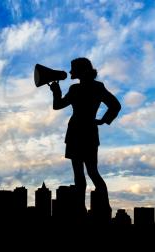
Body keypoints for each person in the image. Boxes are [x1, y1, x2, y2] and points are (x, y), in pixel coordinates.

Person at [49, 57, 121, 215]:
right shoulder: (96, 87)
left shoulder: (76, 89)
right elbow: (115, 105)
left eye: (73, 69)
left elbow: (57, 105)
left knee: (80, 175)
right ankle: (104, 207)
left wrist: (56, 92)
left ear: (81, 70)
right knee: (92, 172)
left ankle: (81, 210)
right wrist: (103, 120)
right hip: (88, 131)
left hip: (76, 132)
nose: (70, 72)